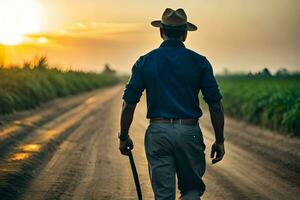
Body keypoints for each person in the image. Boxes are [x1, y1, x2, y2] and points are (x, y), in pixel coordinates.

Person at [118, 8, 225, 200]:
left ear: (161, 32)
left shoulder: (145, 61)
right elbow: (215, 105)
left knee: (163, 196)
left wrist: (124, 136)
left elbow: (128, 103)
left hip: (158, 132)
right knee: (192, 191)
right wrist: (219, 140)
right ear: (185, 34)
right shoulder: (200, 62)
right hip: (189, 132)